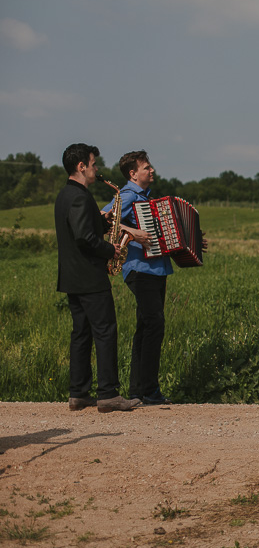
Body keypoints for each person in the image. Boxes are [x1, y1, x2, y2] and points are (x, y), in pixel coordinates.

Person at [54, 143, 141, 413]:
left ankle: (78, 393)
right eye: (93, 164)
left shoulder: (65, 195)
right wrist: (111, 249)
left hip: (71, 277)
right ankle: (108, 394)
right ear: (81, 167)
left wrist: (103, 221)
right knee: (105, 332)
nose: (97, 169)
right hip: (90, 277)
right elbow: (84, 238)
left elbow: (80, 228)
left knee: (81, 334)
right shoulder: (81, 197)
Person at [102, 150, 175, 405]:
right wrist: (133, 232)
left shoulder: (146, 199)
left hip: (156, 269)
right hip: (138, 269)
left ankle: (138, 390)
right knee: (155, 324)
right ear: (133, 173)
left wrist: (192, 242)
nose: (151, 170)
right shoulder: (128, 195)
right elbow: (101, 218)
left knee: (146, 327)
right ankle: (150, 390)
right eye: (146, 167)